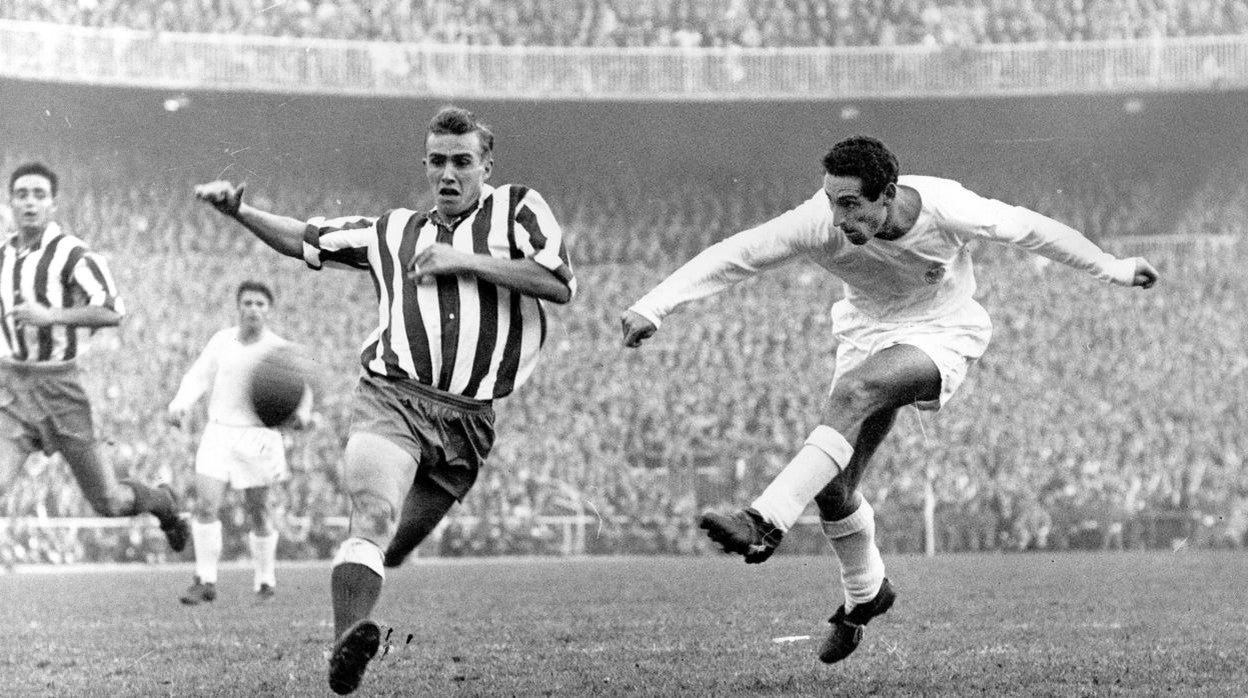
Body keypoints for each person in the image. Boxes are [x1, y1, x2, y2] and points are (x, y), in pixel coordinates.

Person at [620, 136, 1158, 664]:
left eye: (851, 204)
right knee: (835, 491)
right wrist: (655, 305)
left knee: (856, 392)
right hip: (866, 333)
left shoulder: (948, 208)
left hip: (942, 330)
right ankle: (865, 595)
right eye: (832, 201)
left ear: (889, 194)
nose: (838, 219)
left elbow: (1035, 230)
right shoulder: (817, 221)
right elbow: (738, 254)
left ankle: (765, 521)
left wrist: (1112, 266)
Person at [193, 105, 575, 695]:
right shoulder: (391, 231)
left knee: (391, 547)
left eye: (462, 162)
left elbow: (558, 282)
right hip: (392, 396)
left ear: (486, 166)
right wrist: (241, 212)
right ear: (425, 165)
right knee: (371, 517)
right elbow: (307, 238)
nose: (448, 174)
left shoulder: (518, 207)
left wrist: (464, 260)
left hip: (469, 421)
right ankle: (346, 645)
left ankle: (359, 606)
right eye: (437, 161)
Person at [0, 162, 189, 554]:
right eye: (22, 195)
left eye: (39, 195)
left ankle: (162, 503)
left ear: (53, 204)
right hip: (13, 389)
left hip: (61, 388)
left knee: (109, 501)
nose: (30, 203)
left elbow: (111, 311)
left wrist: (52, 316)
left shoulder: (72, 255)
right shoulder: (3, 256)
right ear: (11, 202)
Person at [167, 280, 314, 605]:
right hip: (219, 431)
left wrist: (302, 415)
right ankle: (205, 580)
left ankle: (265, 580)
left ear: (269, 310)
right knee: (206, 505)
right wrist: (180, 404)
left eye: (260, 304)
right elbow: (198, 375)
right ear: (238, 307)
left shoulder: (277, 350)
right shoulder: (222, 341)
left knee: (258, 510)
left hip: (259, 436)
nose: (253, 309)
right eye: (247, 303)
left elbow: (302, 390)